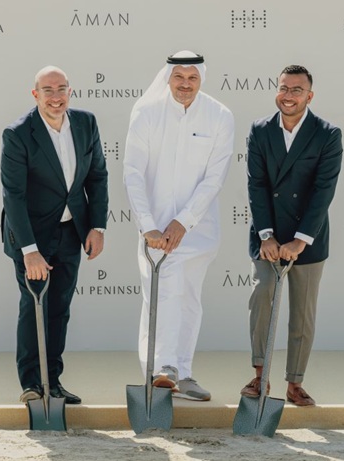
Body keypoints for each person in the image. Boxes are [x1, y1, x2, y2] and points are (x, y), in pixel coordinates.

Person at [123, 51, 234, 401]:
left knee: (188, 300)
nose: (185, 85)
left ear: (201, 79)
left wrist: (184, 221)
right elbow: (132, 173)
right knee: (161, 295)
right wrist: (147, 225)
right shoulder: (146, 112)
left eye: (192, 78)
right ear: (168, 77)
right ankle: (160, 369)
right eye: (179, 77)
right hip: (155, 232)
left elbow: (214, 178)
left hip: (197, 230)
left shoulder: (220, 115)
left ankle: (182, 373)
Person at [0, 66, 108, 404]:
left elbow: (97, 176)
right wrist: (29, 250)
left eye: (62, 89)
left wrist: (97, 226)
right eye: (48, 90)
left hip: (71, 232)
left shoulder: (86, 123)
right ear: (36, 95)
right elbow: (13, 196)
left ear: (70, 91)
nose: (56, 97)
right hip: (32, 235)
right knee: (34, 306)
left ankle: (54, 382)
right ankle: (33, 384)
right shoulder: (18, 134)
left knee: (59, 308)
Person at [241, 65, 342, 407]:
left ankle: (295, 383)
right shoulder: (260, 130)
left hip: (307, 238)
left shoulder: (327, 134)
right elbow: (256, 184)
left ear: (309, 96)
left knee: (302, 313)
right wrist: (267, 236)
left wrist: (300, 239)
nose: (288, 95)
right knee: (262, 296)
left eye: (297, 90)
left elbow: (323, 190)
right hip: (267, 234)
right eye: (284, 88)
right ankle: (260, 376)